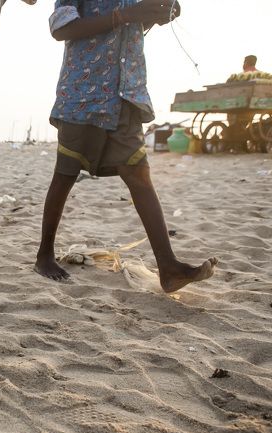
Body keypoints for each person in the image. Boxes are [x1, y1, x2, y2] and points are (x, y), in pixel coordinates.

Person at [35, 0, 216, 293]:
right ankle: (44, 255)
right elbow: (61, 27)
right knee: (65, 172)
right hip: (83, 94)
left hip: (126, 95)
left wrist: (156, 15)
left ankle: (168, 267)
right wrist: (124, 14)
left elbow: (134, 26)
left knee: (139, 176)